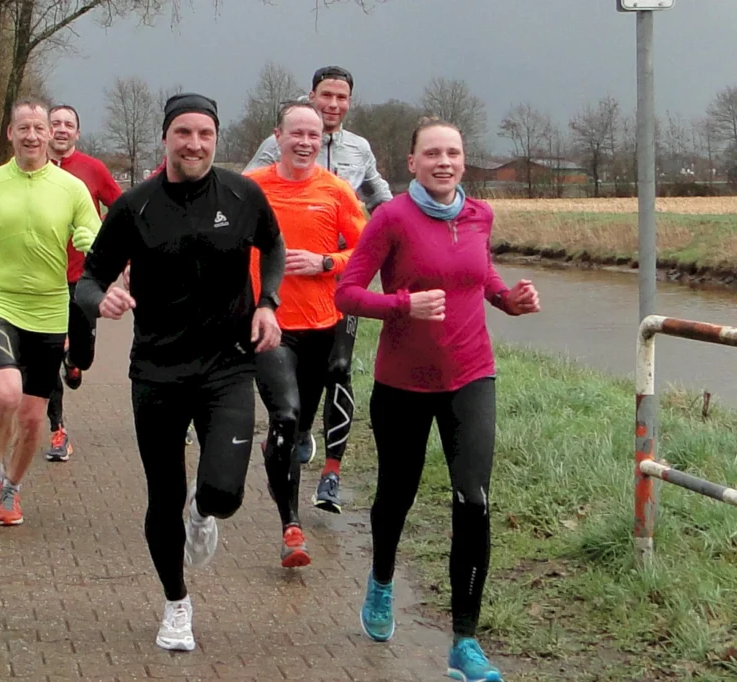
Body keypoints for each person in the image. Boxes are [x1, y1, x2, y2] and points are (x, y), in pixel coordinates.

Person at [76, 93, 284, 652]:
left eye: (204, 134)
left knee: (225, 493)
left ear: (216, 139)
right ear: (166, 138)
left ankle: (204, 509)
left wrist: (268, 303)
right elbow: (89, 278)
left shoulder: (242, 195)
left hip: (227, 365)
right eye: (183, 133)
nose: (194, 144)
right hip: (158, 370)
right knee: (163, 493)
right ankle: (176, 603)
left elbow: (274, 245)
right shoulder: (135, 206)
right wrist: (101, 300)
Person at [334, 117, 540, 682]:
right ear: (412, 163)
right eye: (432, 153)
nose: (443, 162)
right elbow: (347, 293)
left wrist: (508, 299)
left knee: (473, 501)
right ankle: (381, 581)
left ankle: (464, 642)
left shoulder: (480, 215)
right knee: (396, 495)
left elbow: (481, 274)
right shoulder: (392, 218)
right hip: (402, 384)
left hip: (471, 376)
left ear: (463, 161)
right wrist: (404, 304)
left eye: (452, 153)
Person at [0, 97, 101, 529]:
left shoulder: (71, 189)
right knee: (6, 393)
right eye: (23, 127)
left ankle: (12, 488)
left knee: (30, 418)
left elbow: (100, 239)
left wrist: (92, 242)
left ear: (50, 135)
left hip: (49, 311)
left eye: (38, 128)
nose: (31, 135)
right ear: (10, 134)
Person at [246, 65, 392, 514]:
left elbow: (381, 201)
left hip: (339, 280)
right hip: (283, 292)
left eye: (341, 97)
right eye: (326, 95)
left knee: (340, 368)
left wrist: (401, 229)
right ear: (312, 97)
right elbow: (244, 199)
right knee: (291, 400)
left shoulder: (358, 150)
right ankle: (294, 434)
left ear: (349, 103)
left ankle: (331, 474)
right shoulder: (277, 145)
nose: (333, 104)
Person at [245, 101, 365, 565]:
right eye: (296, 133)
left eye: (314, 136)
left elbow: (366, 252)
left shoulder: (335, 191)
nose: (305, 142)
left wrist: (325, 262)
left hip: (321, 325)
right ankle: (291, 527)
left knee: (298, 431)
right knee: (286, 415)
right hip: (270, 325)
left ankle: (285, 452)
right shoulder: (252, 188)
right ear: (277, 137)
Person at [44, 104, 123, 462]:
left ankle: (73, 358)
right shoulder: (33, 171)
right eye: (55, 123)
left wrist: (113, 251)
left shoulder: (93, 169)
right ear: (46, 130)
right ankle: (57, 430)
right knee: (45, 357)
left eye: (68, 124)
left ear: (77, 132)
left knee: (84, 357)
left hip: (82, 280)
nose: (61, 129)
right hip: (42, 283)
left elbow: (122, 212)